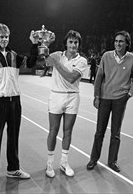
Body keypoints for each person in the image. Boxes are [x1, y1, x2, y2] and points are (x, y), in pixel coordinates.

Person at [0, 23, 39, 187]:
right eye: (1, 37)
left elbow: (31, 63)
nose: (4, 39)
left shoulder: (13, 55)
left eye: (6, 36)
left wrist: (34, 44)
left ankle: (13, 169)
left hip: (15, 102)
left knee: (13, 137)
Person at [86, 31, 133, 172]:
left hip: (120, 100)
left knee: (116, 133)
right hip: (104, 99)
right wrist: (96, 96)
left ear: (127, 43)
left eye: (121, 41)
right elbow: (98, 78)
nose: (118, 43)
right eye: (116, 41)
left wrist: (129, 94)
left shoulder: (132, 59)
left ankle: (112, 161)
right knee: (99, 132)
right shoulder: (106, 56)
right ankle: (93, 159)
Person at [44, 30, 88, 178]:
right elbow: (43, 61)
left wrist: (55, 63)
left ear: (79, 45)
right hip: (56, 96)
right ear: (66, 43)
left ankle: (63, 162)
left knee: (67, 132)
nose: (73, 45)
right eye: (71, 42)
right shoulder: (57, 55)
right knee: (53, 131)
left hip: (72, 98)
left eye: (76, 42)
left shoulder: (82, 61)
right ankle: (50, 163)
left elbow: (71, 78)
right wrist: (43, 45)